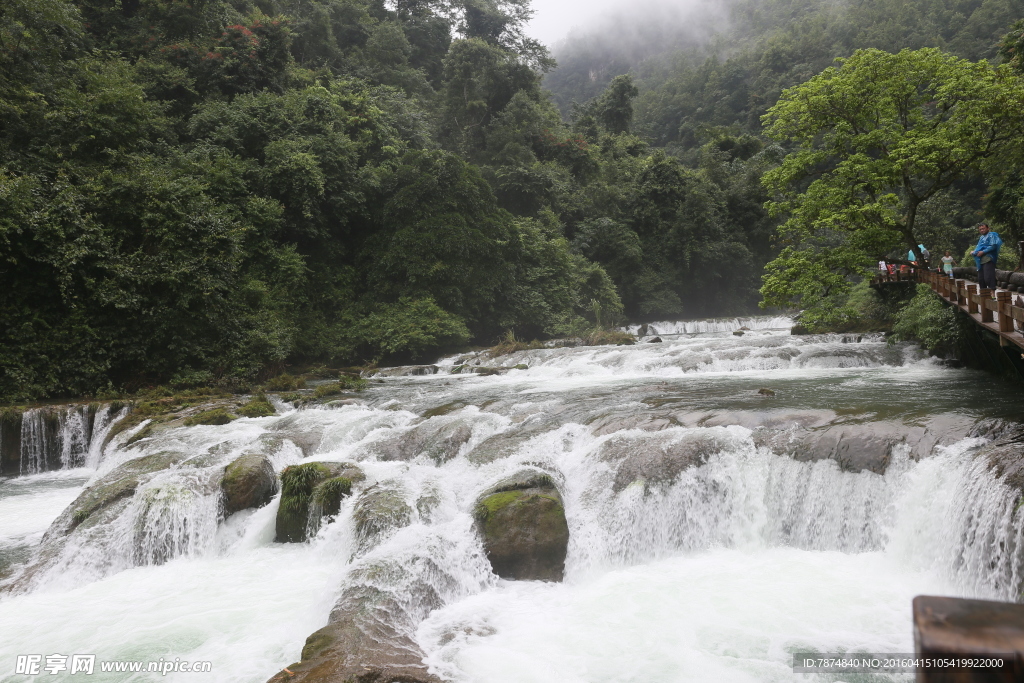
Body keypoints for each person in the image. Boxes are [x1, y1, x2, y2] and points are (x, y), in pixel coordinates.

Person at [973, 223, 1003, 291]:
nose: (982, 230)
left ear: (988, 228)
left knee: (988, 277)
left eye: (983, 228)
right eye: (980, 229)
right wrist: (974, 252)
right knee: (981, 278)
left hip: (989, 258)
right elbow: (978, 247)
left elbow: (993, 246)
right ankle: (984, 294)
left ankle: (992, 293)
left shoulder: (992, 235)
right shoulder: (981, 237)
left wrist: (983, 251)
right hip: (981, 259)